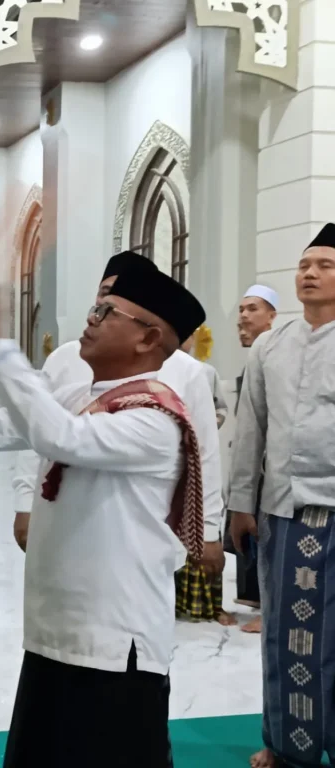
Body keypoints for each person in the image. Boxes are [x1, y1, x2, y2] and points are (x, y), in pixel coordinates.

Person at [0, 267, 207, 768]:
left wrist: (1, 344)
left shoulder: (156, 418)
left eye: (105, 313)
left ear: (149, 338)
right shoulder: (80, 398)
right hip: (56, 634)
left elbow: (61, 438)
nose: (89, 321)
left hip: (116, 645)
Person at [11, 252, 227, 623]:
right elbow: (35, 432)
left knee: (131, 613)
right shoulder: (66, 358)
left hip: (137, 530)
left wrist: (208, 529)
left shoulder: (187, 374)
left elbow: (204, 451)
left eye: (112, 301)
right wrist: (23, 502)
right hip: (67, 522)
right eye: (102, 297)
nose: (100, 308)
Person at [229, 224, 335, 768]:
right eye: (304, 265)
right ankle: (287, 745)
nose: (310, 273)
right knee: (286, 636)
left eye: (325, 265)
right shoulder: (271, 344)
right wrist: (240, 504)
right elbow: (251, 429)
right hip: (286, 513)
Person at [229, 285, 278, 636]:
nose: (244, 316)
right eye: (242, 310)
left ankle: (270, 608)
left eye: (253, 309)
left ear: (272, 315)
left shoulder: (278, 356)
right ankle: (259, 603)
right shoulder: (255, 357)